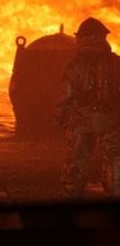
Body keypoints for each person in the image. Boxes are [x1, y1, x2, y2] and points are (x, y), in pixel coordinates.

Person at [57, 17, 120, 197]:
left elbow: (65, 96)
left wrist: (59, 118)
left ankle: (71, 202)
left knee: (77, 161)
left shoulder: (74, 66)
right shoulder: (117, 63)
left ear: (81, 38)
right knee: (115, 159)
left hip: (82, 121)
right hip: (112, 121)